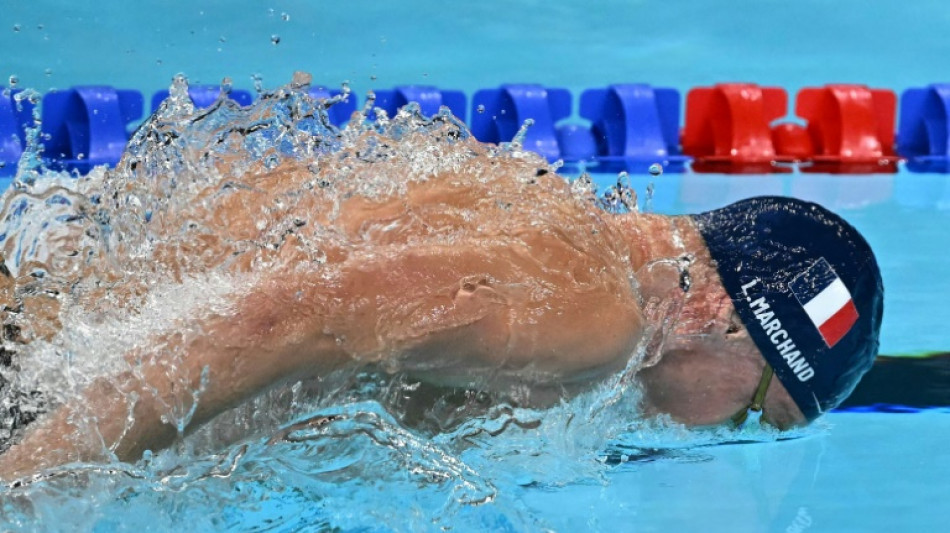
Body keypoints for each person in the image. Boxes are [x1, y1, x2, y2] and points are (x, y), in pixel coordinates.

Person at [0, 144, 883, 482]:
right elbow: (299, 310)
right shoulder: (602, 314)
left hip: (43, 305)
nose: (716, 428)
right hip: (37, 383)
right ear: (725, 318)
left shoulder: (548, 210)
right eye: (754, 411)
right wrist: (27, 487)